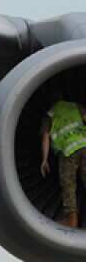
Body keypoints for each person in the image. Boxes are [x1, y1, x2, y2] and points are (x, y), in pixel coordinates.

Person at [41, 91, 86, 228]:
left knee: (69, 186)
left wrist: (44, 160)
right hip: (85, 145)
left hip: (68, 152)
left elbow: (45, 137)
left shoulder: (49, 115)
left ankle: (71, 219)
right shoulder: (75, 106)